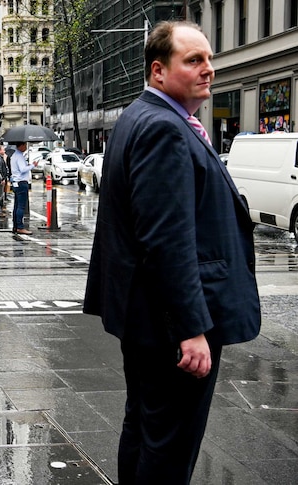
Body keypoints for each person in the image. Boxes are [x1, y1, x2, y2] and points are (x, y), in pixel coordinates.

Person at [83, 21, 261, 484]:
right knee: (169, 446)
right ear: (158, 71)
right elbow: (167, 239)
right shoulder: (164, 128)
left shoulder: (142, 116)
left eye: (209, 59)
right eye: (194, 60)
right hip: (168, 325)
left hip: (145, 317)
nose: (209, 70)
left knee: (145, 427)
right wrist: (191, 328)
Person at [8, 140, 32, 234]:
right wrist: (32, 165)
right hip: (21, 182)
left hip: (16, 183)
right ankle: (20, 227)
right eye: (25, 145)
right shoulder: (19, 156)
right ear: (21, 146)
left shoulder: (14, 156)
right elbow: (22, 169)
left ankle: (15, 226)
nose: (26, 147)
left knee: (17, 206)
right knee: (21, 206)